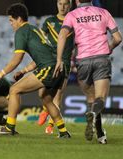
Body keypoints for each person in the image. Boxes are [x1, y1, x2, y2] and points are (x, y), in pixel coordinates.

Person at [0, 3, 70, 138]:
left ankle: (9, 128)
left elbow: (17, 58)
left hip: (49, 68)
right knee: (46, 98)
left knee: (14, 90)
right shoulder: (34, 29)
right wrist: (24, 71)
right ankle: (63, 132)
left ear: (19, 19)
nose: (11, 24)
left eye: (11, 20)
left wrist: (0, 74)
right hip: (60, 69)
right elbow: (43, 55)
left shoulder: (21, 31)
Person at [54, 0, 122, 143]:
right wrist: (109, 48)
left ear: (76, 1)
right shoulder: (103, 12)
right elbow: (118, 38)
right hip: (101, 59)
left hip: (82, 61)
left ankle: (100, 135)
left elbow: (62, 36)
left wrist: (59, 60)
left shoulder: (72, 15)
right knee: (100, 99)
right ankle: (95, 123)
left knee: (91, 99)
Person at [36, 0, 75, 135]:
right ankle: (46, 109)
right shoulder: (49, 21)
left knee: (58, 96)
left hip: (64, 62)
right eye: (60, 4)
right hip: (49, 62)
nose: (63, 7)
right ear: (57, 4)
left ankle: (51, 125)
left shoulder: (74, 21)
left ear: (70, 5)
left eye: (65, 4)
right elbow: (40, 38)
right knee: (43, 92)